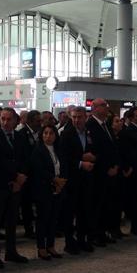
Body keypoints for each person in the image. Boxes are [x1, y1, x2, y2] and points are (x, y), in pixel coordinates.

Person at [0, 108, 30, 268]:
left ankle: (11, 251)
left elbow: (26, 158)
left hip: (17, 185)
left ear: (15, 120)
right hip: (0, 184)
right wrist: (14, 177)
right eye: (2, 119)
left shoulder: (20, 136)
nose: (5, 122)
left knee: (12, 221)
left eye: (8, 119)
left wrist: (22, 176)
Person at [59, 106, 97, 253]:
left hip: (87, 178)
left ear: (85, 118)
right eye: (74, 117)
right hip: (72, 178)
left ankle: (82, 239)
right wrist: (81, 162)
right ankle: (69, 242)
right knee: (70, 212)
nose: (76, 120)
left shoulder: (89, 132)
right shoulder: (66, 134)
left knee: (84, 210)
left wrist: (93, 157)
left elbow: (94, 149)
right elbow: (64, 157)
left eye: (79, 117)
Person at [30, 124, 68, 260]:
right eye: (45, 133)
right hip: (44, 188)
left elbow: (64, 166)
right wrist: (54, 180)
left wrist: (61, 182)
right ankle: (41, 248)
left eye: (51, 133)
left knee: (53, 219)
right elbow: (38, 169)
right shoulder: (38, 150)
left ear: (55, 135)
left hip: (58, 188)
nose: (48, 136)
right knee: (43, 219)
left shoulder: (58, 149)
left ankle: (50, 246)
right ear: (41, 135)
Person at [86, 98, 120, 245]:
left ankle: (103, 232)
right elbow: (94, 150)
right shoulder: (90, 125)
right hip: (99, 172)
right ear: (94, 108)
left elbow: (113, 147)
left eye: (106, 105)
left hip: (111, 170)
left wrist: (116, 165)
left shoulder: (106, 125)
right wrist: (107, 167)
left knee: (107, 204)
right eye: (103, 105)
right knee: (97, 205)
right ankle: (94, 235)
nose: (106, 108)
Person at [17, 110, 41, 237]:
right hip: (27, 174)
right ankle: (28, 228)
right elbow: (23, 155)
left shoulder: (41, 133)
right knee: (26, 203)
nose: (40, 123)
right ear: (30, 121)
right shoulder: (22, 134)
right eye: (38, 121)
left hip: (38, 175)